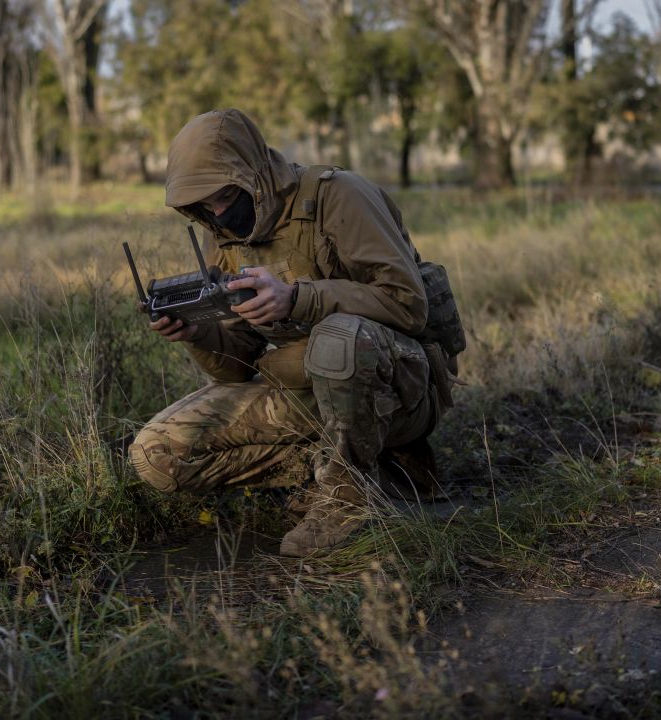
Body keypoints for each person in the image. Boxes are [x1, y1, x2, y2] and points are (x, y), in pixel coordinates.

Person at [127, 108, 454, 557]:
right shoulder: (221, 234)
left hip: (400, 389)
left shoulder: (340, 196)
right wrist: (197, 333)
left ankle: (346, 497)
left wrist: (297, 298)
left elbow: (408, 304)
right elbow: (237, 368)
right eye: (202, 205)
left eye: (224, 195)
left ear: (252, 172)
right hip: (306, 393)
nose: (217, 213)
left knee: (337, 338)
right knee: (155, 456)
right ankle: (335, 470)